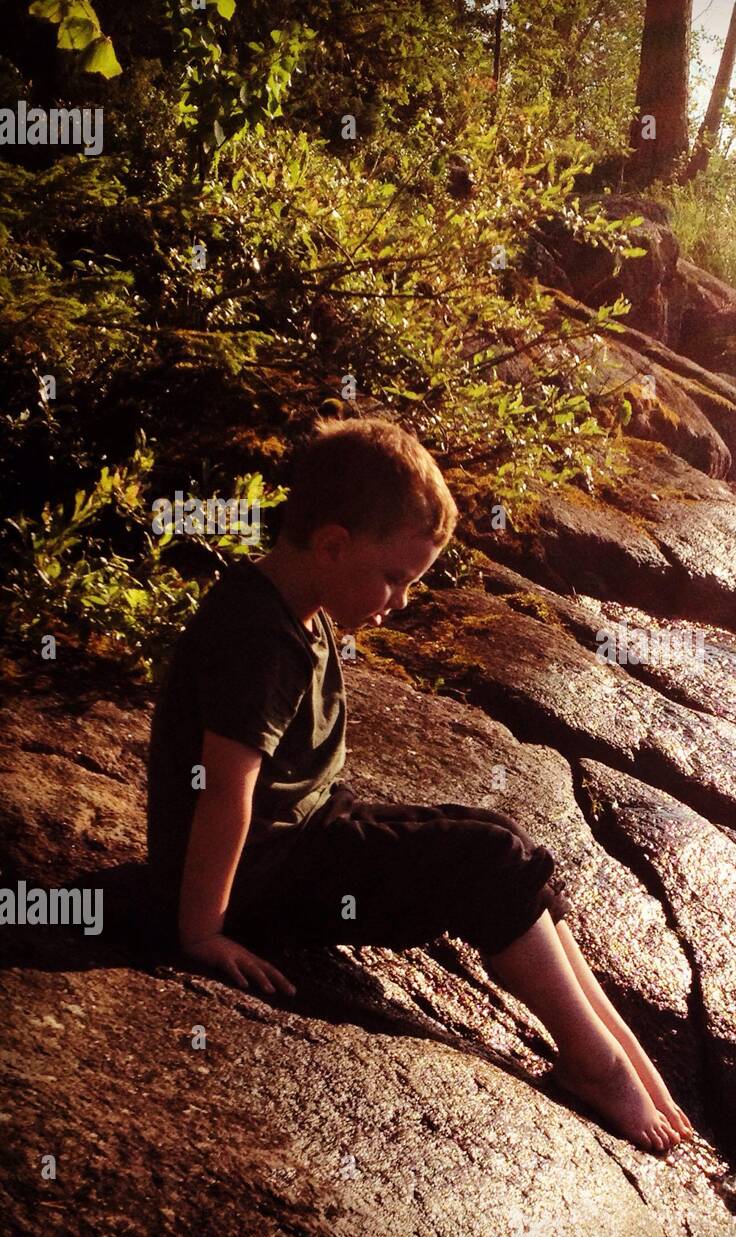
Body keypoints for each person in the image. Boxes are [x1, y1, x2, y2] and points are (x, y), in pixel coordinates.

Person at [145, 415, 692, 1153]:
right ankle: (596, 1067)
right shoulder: (258, 639)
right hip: (259, 879)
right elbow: (226, 788)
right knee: (487, 865)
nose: (398, 600)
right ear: (333, 544)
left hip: (296, 841)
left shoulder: (295, 610)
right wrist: (202, 930)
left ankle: (616, 1057)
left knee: (507, 844)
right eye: (393, 577)